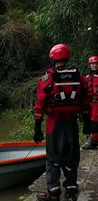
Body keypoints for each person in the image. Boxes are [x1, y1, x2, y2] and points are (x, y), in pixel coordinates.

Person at [33, 44, 88, 201]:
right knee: (71, 158)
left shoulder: (47, 77)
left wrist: (37, 126)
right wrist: (86, 120)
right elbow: (86, 99)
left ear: (52, 57)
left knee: (53, 159)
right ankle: (71, 191)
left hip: (54, 124)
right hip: (72, 124)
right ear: (68, 56)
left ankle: (54, 194)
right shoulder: (79, 76)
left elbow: (40, 103)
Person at [82, 56, 98, 149]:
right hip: (89, 104)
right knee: (89, 122)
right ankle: (91, 139)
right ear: (89, 65)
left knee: (95, 123)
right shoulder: (86, 78)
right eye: (92, 64)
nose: (94, 65)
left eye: (96, 63)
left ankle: (93, 142)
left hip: (97, 104)